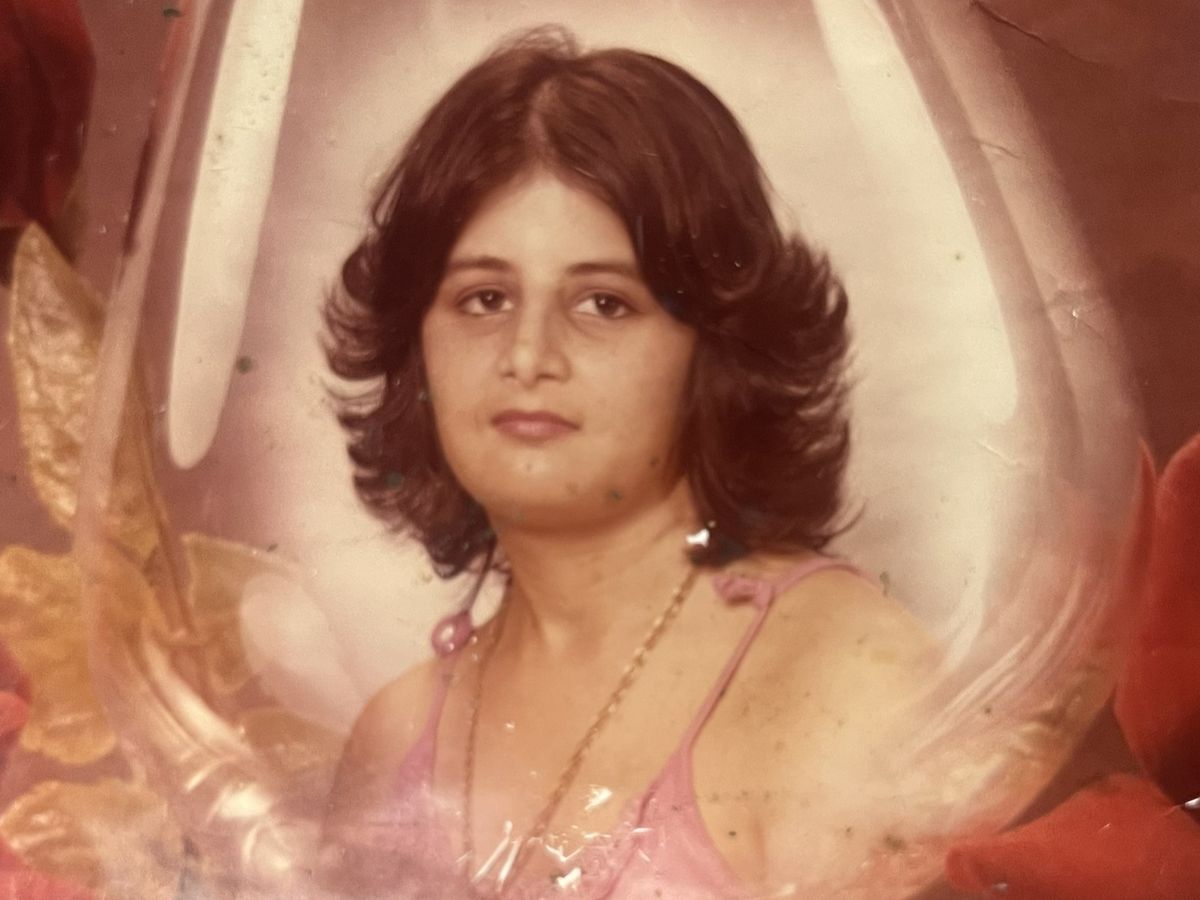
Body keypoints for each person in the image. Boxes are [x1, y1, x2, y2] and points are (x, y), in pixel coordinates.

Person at [318, 26, 933, 899]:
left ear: (714, 351)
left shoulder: (841, 673)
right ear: (417, 346)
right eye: (483, 299)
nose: (528, 355)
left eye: (604, 303)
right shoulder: (393, 736)